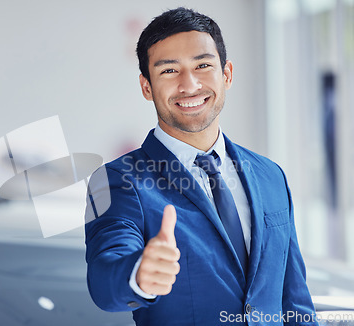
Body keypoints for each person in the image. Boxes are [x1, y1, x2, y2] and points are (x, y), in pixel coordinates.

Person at [84, 7, 318, 326]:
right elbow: (104, 278)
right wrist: (138, 274)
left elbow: (295, 302)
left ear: (227, 74)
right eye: (169, 71)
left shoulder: (270, 175)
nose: (189, 84)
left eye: (203, 65)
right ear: (146, 86)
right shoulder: (114, 180)